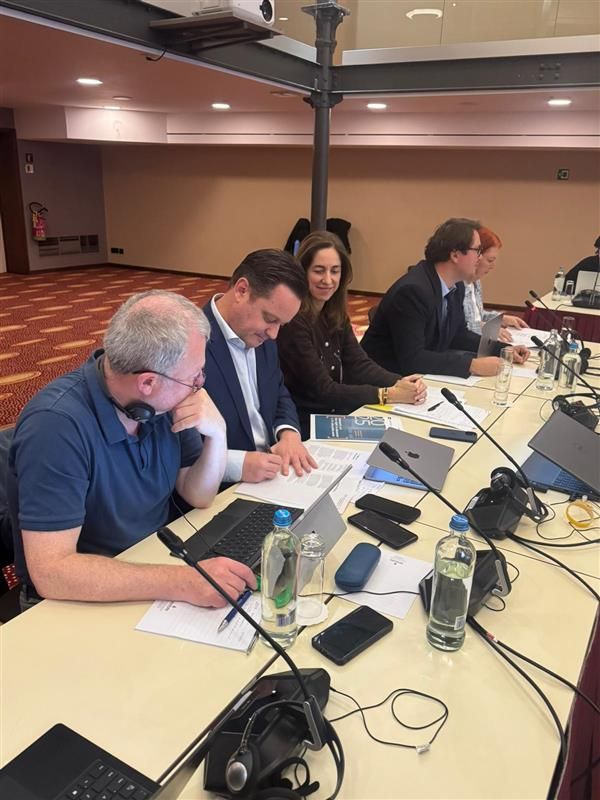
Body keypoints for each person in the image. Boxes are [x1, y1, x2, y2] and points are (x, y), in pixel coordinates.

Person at [7, 290, 255, 611]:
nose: (200, 385)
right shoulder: (55, 427)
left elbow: (199, 495)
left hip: (151, 562)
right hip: (75, 596)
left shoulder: (162, 405)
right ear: (148, 383)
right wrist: (183, 582)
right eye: (194, 377)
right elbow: (52, 573)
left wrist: (217, 434)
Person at [277, 231, 428, 438]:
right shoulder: (292, 321)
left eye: (335, 271)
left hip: (336, 413)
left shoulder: (334, 313)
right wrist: (386, 394)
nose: (328, 280)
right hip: (305, 426)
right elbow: (324, 390)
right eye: (319, 271)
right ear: (302, 272)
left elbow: (358, 364)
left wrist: (401, 382)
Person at [361, 218, 530, 378]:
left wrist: (503, 350)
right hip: (384, 379)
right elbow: (413, 359)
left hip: (419, 376)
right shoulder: (413, 291)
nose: (480, 258)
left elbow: (458, 334)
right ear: (455, 255)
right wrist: (472, 365)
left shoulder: (456, 286)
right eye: (477, 251)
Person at [203, 249, 317, 484]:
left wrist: (288, 433)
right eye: (270, 319)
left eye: (281, 324)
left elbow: (278, 391)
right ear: (242, 290)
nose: (274, 334)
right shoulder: (192, 343)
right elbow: (177, 444)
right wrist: (237, 465)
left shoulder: (261, 336)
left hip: (273, 472)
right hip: (219, 486)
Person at [463, 226, 528, 341]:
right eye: (490, 260)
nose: (492, 266)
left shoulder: (476, 282)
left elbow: (478, 316)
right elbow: (458, 327)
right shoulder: (456, 285)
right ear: (476, 257)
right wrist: (487, 328)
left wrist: (501, 319)